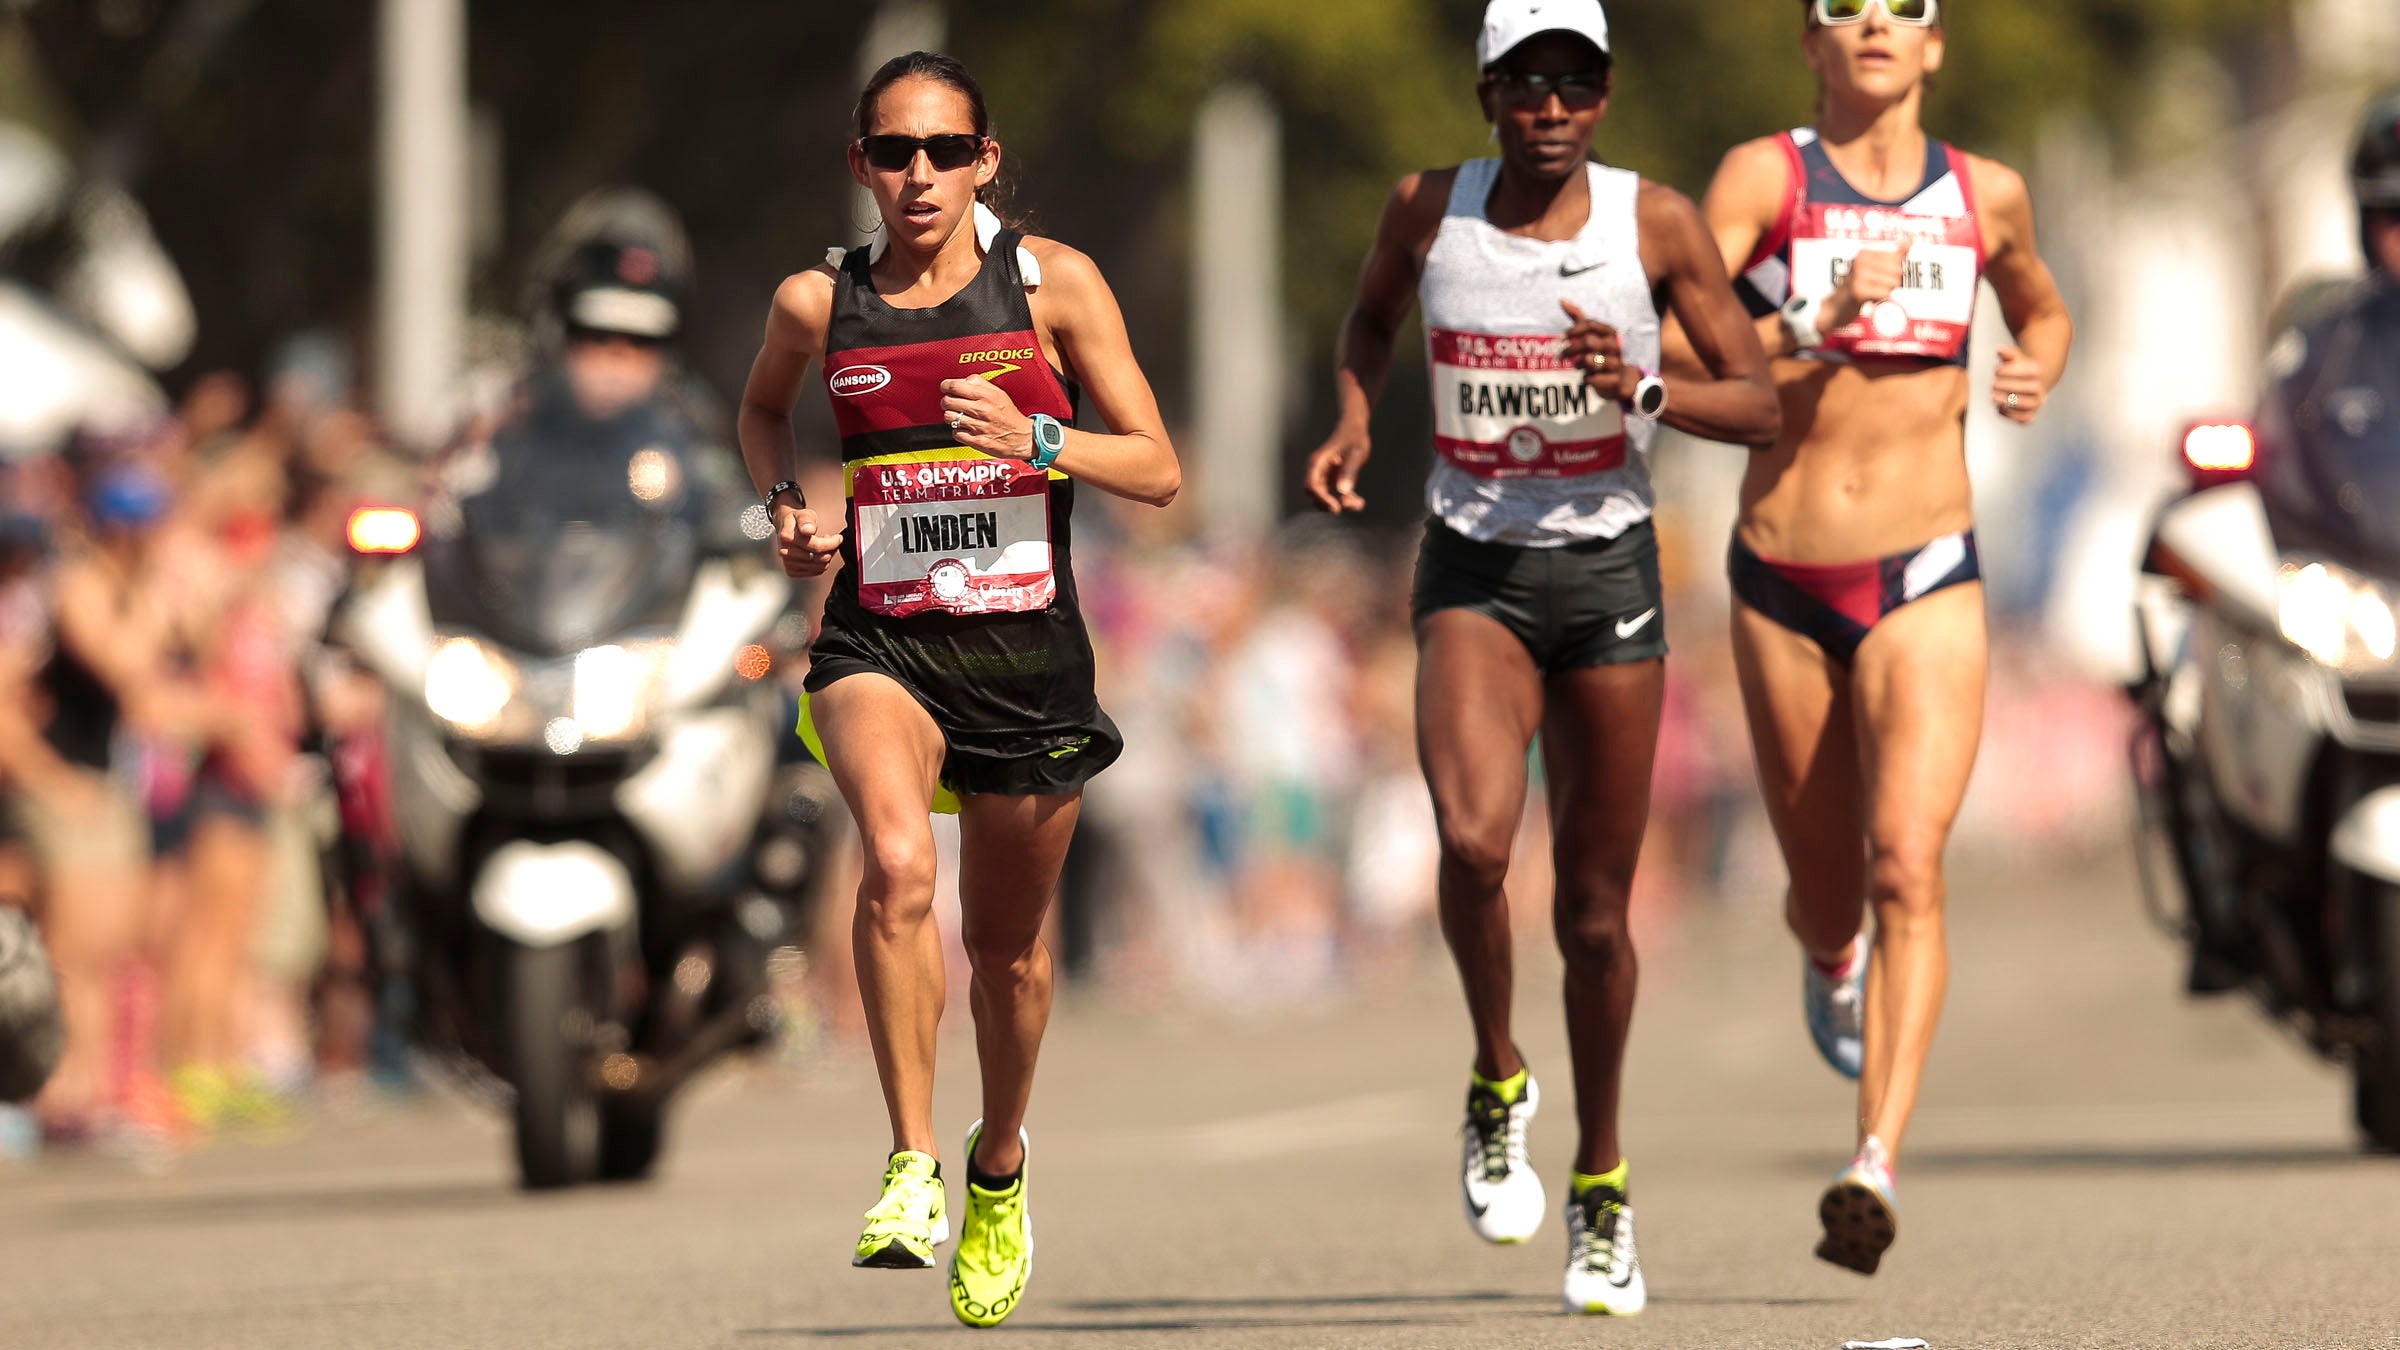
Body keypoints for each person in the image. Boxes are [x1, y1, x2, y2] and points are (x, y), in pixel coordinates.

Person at [1304, 0, 1779, 1316]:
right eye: (1527, 83)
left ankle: (1603, 1181)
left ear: (1604, 96)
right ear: (1488, 97)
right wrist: (1352, 419)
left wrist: (1640, 389)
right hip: (1475, 569)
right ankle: (1497, 1074)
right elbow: (1368, 324)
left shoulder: (1656, 224)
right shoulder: (1428, 209)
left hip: (1610, 574)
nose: (1552, 106)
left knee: (1595, 914)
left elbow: (1760, 400)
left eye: (1576, 82)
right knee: (1471, 843)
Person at [736, 51, 1178, 1329]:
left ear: (985, 160)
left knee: (1008, 954)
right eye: (893, 152)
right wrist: (784, 509)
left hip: (1026, 660)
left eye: (943, 151)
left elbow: (1156, 467)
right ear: (861, 165)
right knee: (894, 865)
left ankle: (999, 1162)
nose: (918, 175)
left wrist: (1041, 439)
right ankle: (912, 1161)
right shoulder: (819, 301)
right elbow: (763, 414)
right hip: (881, 641)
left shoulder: (1053, 285)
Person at [1666, 0, 2073, 1276]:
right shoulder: (1764, 178)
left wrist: (2036, 365)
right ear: (1812, 45)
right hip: (1783, 574)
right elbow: (1667, 345)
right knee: (1830, 889)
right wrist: (1810, 317)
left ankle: (1873, 1162)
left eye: (1904, 7)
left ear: (1935, 45)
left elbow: (2044, 309)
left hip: (1929, 569)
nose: (1876, 24)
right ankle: (1829, 951)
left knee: (1907, 864)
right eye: (1844, 7)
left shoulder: (1985, 193)